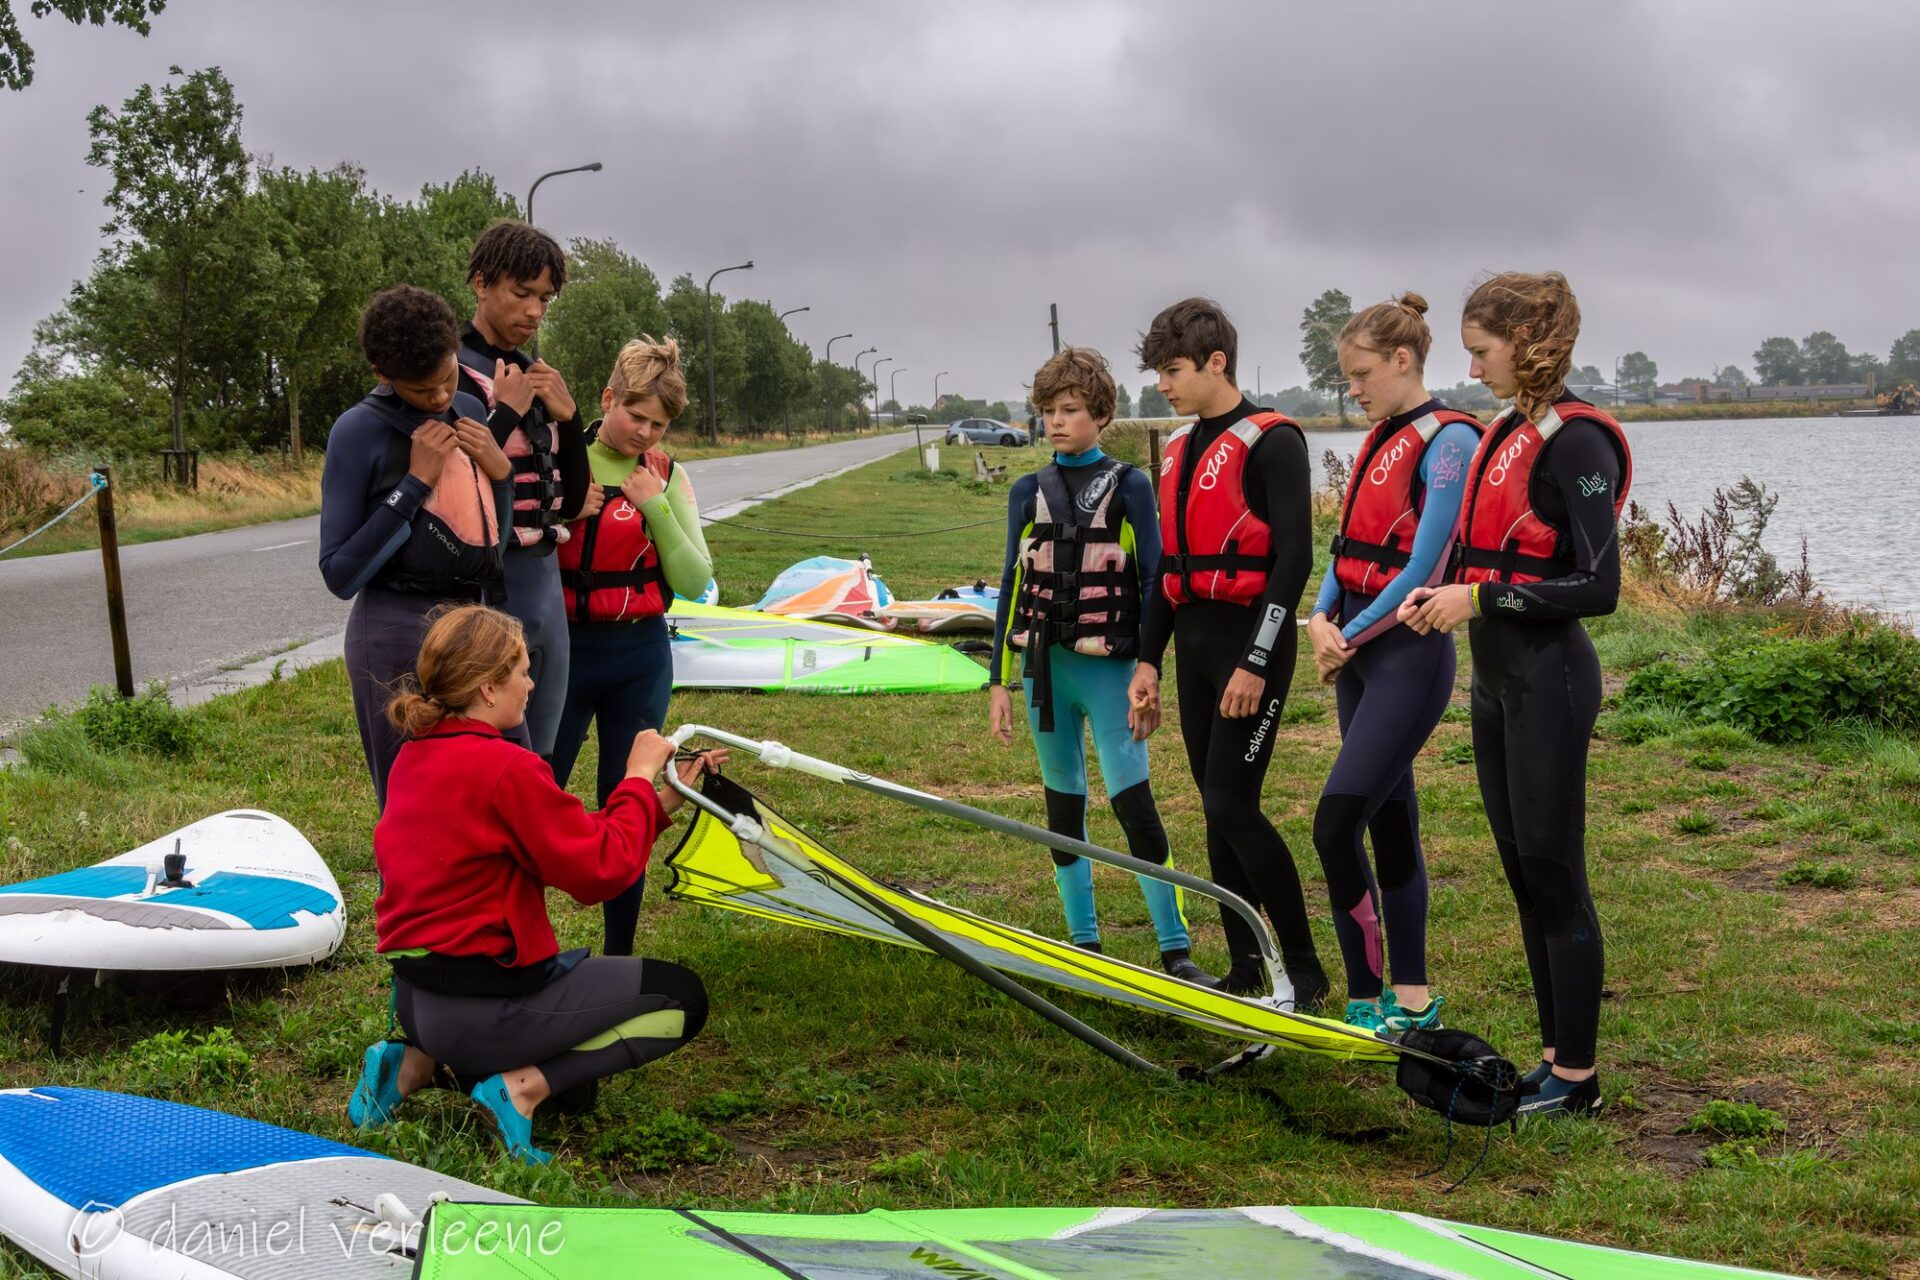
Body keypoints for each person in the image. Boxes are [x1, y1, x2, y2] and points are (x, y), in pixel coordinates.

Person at [347, 604, 721, 1164]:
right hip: (483, 1007)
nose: (531, 684)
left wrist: (657, 803)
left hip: (418, 1001)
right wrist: (637, 777)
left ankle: (412, 1064)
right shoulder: (507, 767)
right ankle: (517, 1091)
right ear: (487, 688)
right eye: (522, 671)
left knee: (577, 1095)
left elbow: (564, 840)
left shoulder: (415, 754)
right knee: (680, 997)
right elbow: (598, 872)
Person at [1398, 271, 1632, 1117]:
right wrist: (1441, 595)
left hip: (1551, 680)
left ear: (1528, 343)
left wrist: (1482, 599)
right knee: (1524, 877)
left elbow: (1599, 588)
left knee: (1555, 875)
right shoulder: (1507, 431)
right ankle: (1553, 1063)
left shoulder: (1577, 442)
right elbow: (1485, 558)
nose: (1473, 369)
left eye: (1482, 351)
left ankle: (1578, 1081)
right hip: (1498, 683)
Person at [1126, 298, 1330, 1008]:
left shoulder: (1274, 442)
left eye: (1173, 370)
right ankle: (1244, 966)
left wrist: (1256, 661)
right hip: (1195, 648)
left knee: (1232, 805)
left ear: (1217, 362)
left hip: (1252, 646)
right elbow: (1168, 570)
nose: (1163, 385)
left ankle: (1304, 968)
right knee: (1216, 810)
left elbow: (1294, 560)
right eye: (1158, 372)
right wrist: (1148, 660)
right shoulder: (1177, 450)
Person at [987, 347, 1212, 985]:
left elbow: (1155, 582)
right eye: (1047, 411)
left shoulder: (1131, 485)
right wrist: (998, 680)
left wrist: (1149, 667)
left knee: (1132, 801)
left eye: (1070, 410)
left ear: (1102, 415)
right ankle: (1084, 943)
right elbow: (1010, 582)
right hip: (1044, 672)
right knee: (1063, 807)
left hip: (1111, 670)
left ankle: (1175, 948)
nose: (1056, 422)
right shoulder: (1026, 491)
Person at [1304, 294, 1481, 1035]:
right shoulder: (1381, 438)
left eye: (1361, 373)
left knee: (1335, 824)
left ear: (1403, 360)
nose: (1353, 389)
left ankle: (1364, 999)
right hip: (1358, 652)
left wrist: (1347, 636)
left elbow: (1425, 566)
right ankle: (1411, 1000)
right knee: (1388, 823)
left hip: (1407, 656)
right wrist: (1320, 616)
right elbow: (1348, 548)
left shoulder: (1450, 440)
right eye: (1347, 377)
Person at [318, 285, 513, 810]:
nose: (441, 398)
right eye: (423, 390)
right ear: (382, 374)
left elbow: (491, 544)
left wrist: (501, 474)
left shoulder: (469, 407)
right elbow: (339, 573)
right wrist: (414, 483)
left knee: (499, 789)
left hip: (473, 624)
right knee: (413, 806)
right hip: (395, 630)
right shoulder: (357, 430)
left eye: (447, 377)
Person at [550, 336, 713, 958]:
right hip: (563, 655)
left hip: (639, 657)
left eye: (659, 425)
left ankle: (619, 956)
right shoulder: (562, 461)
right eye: (635, 415)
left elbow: (695, 580)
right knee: (533, 795)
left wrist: (656, 509)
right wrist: (567, 512)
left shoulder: (667, 475)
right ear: (607, 399)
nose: (644, 433)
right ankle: (517, 946)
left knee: (628, 801)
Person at [454, 220, 592, 760]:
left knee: (544, 749)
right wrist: (507, 411)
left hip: (544, 582)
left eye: (545, 298)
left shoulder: (539, 374)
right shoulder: (448, 372)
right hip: (489, 581)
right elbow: (454, 484)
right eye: (521, 293)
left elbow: (573, 500)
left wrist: (570, 416)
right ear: (481, 284)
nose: (535, 311)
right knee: (489, 748)